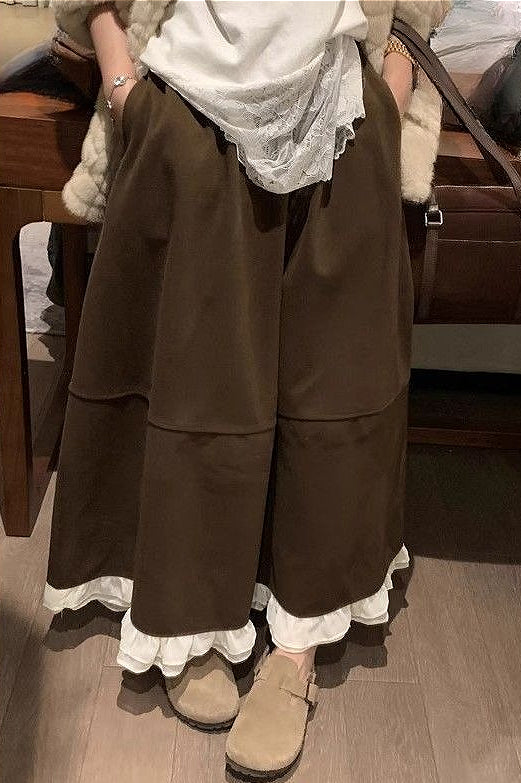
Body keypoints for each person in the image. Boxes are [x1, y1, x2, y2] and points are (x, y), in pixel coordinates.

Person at [43, 1, 452, 778]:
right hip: (184, 99)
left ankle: (295, 648)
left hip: (341, 105)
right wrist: (124, 86)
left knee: (333, 387)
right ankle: (189, 616)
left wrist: (392, 82)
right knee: (194, 380)